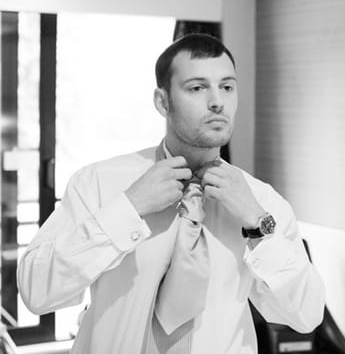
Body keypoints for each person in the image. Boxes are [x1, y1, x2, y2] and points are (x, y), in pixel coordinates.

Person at [17, 33, 325, 353]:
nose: (217, 101)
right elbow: (36, 291)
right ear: (163, 102)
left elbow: (306, 315)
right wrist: (128, 208)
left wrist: (257, 223)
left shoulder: (262, 201)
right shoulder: (98, 183)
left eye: (227, 87)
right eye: (197, 87)